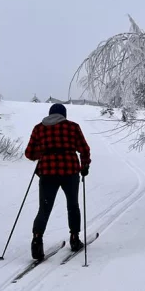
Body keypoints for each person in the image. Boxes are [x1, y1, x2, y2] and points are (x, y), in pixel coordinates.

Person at [24, 103, 91, 259]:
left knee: (44, 209)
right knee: (73, 205)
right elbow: (84, 149)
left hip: (47, 173)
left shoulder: (38, 128)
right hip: (70, 171)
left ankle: (37, 241)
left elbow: (29, 153)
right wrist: (85, 166)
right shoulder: (73, 127)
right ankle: (74, 239)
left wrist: (44, 153)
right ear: (64, 114)